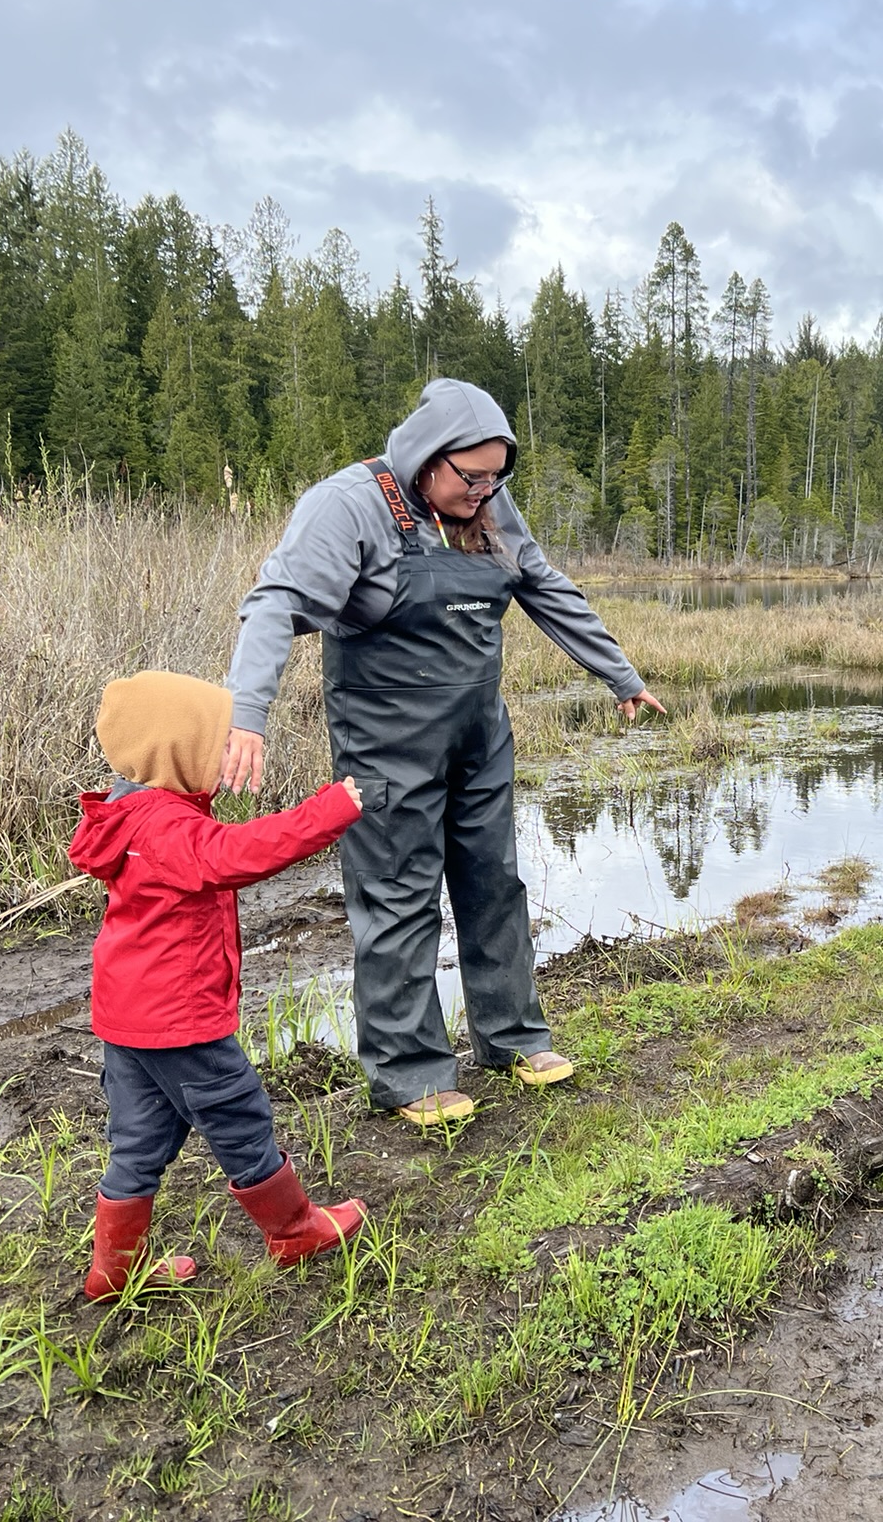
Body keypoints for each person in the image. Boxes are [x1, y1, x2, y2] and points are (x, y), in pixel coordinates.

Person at [219, 378, 664, 1128]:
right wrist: (247, 714)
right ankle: (410, 1073)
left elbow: (542, 586)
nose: (486, 491)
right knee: (398, 898)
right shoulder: (349, 505)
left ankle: (512, 1037)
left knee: (495, 883)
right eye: (472, 476)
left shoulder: (483, 504)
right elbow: (276, 599)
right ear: (428, 459)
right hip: (386, 744)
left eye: (498, 476)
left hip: (477, 734)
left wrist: (618, 672)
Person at [70, 670, 369, 1303]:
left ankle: (113, 1271)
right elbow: (241, 854)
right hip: (177, 1018)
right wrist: (332, 808)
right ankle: (294, 1230)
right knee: (239, 1114)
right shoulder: (167, 831)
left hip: (126, 1016)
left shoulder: (132, 815)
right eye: (214, 746)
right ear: (177, 754)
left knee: (140, 1139)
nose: (225, 756)